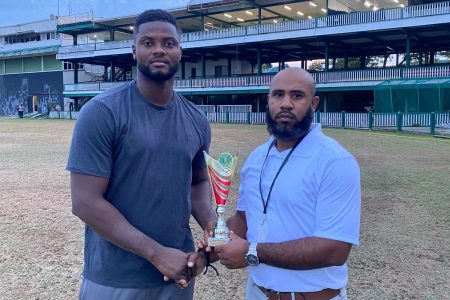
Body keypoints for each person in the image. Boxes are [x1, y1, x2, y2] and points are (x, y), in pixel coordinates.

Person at [66, 9, 216, 300]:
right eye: (148, 42)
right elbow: (84, 203)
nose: (159, 49)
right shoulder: (101, 112)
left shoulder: (197, 120)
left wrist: (212, 223)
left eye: (168, 43)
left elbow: (197, 183)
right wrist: (156, 253)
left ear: (180, 51)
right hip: (115, 277)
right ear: (134, 51)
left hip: (178, 273)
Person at [204, 67, 361, 300]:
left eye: (297, 96)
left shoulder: (335, 162)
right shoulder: (257, 158)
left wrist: (251, 252)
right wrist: (216, 239)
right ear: (268, 100)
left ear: (314, 103)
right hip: (257, 293)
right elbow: (245, 219)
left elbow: (334, 249)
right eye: (278, 94)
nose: (285, 103)